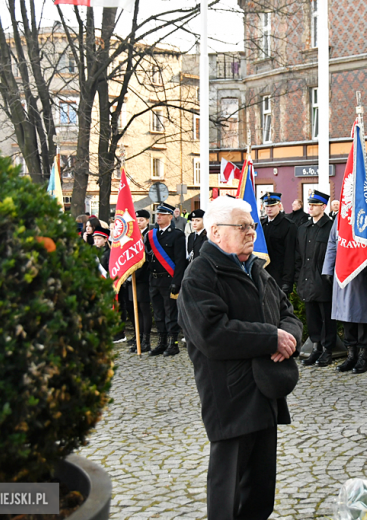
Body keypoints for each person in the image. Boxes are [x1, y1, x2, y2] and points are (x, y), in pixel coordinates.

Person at [177, 196, 302, 520]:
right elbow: (212, 334)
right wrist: (270, 337)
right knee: (227, 494)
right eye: (243, 226)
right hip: (230, 397)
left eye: (253, 226)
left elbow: (288, 315)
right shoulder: (200, 276)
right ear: (216, 232)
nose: (251, 232)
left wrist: (288, 338)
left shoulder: (257, 270)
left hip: (265, 392)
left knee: (261, 492)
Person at [322, 183, 367, 373]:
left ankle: (363, 358)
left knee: (362, 317)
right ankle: (351, 355)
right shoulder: (342, 216)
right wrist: (328, 269)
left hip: (363, 275)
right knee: (346, 316)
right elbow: (333, 242)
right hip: (343, 274)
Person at [295, 190, 336, 366]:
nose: (310, 207)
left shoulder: (331, 227)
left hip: (324, 280)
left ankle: (328, 350)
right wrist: (298, 277)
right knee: (312, 317)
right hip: (307, 279)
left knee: (327, 317)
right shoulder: (304, 228)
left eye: (314, 205)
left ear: (324, 207)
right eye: (309, 204)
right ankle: (316, 348)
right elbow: (298, 256)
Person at [146, 202, 188, 357]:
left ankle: (173, 343)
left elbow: (180, 261)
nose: (158, 217)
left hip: (168, 280)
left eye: (162, 214)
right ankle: (161, 342)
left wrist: (176, 282)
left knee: (170, 312)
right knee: (158, 313)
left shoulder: (177, 235)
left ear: (170, 217)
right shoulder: (152, 234)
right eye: (157, 214)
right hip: (154, 280)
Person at [261, 192, 297, 295]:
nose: (269, 209)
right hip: (263, 274)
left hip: (279, 276)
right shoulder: (262, 225)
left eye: (272, 206)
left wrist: (287, 280)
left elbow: (290, 254)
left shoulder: (288, 226)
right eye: (267, 206)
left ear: (279, 206)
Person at [128, 209, 153, 353]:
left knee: (144, 309)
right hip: (132, 278)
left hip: (142, 278)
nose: (139, 222)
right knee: (134, 309)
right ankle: (138, 337)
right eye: (137, 220)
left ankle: (146, 341)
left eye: (142, 220)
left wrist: (136, 274)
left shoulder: (149, 236)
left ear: (148, 221)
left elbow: (147, 259)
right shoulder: (133, 236)